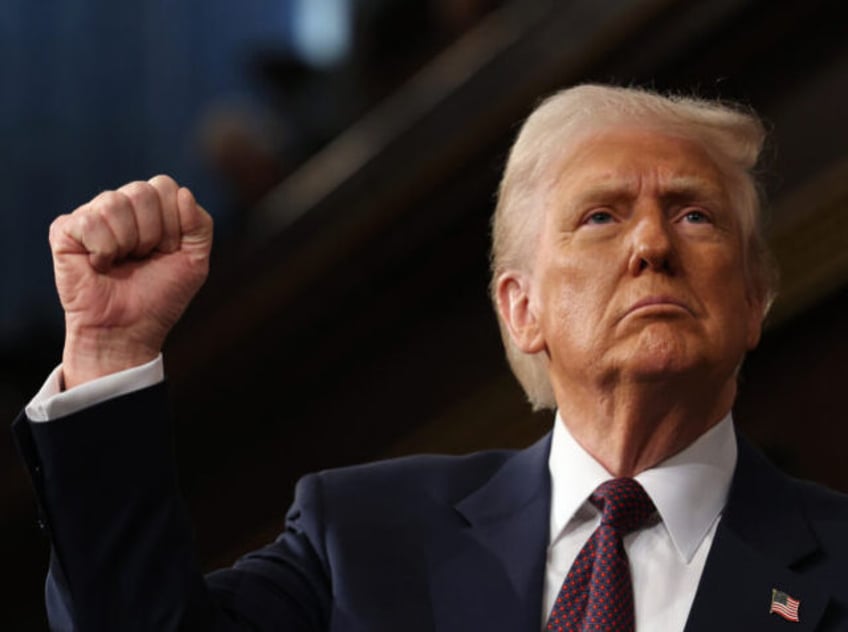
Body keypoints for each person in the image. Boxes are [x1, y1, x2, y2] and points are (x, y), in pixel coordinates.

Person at [13, 84, 848, 631]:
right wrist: (112, 352)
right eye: (601, 216)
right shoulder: (362, 539)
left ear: (753, 302)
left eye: (695, 215)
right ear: (522, 311)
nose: (652, 246)